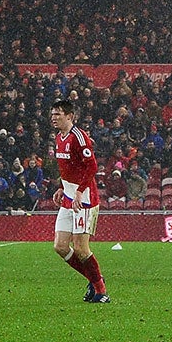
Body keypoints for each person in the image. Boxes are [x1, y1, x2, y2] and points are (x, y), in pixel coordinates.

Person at [50, 97, 109, 303]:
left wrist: (79, 191)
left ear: (70, 116)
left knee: (82, 248)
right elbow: (69, 168)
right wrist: (62, 187)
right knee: (60, 246)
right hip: (68, 196)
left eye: (58, 114)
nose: (54, 118)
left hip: (84, 199)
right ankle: (93, 280)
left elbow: (91, 166)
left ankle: (101, 291)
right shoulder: (59, 137)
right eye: (53, 114)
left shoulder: (79, 137)